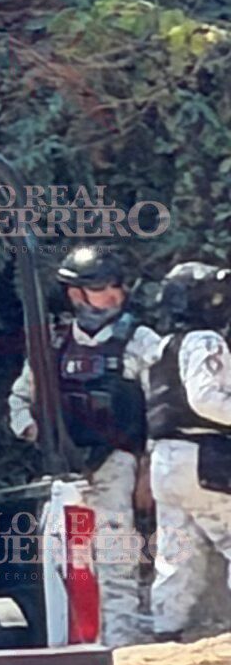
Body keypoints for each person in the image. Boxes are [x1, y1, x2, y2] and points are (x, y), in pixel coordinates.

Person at [9, 245, 164, 647]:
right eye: (101, 287)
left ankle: (123, 646)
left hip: (117, 465)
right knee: (67, 561)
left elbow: (162, 407)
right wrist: (39, 435)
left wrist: (148, 470)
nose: (113, 295)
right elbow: (19, 400)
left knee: (117, 558)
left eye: (116, 286)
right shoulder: (54, 344)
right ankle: (74, 644)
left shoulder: (140, 341)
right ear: (77, 294)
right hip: (64, 473)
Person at [146, 263, 231, 642]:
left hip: (166, 461)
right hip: (203, 456)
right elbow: (206, 399)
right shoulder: (205, 341)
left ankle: (165, 634)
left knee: (175, 552)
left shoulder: (163, 346)